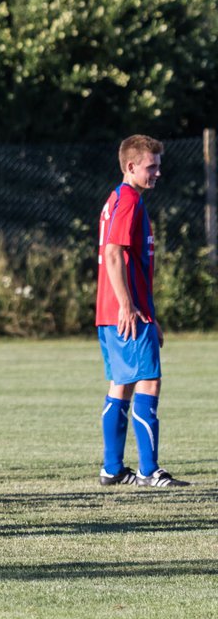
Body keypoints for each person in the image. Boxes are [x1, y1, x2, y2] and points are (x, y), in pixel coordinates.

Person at [96, 135, 187, 488]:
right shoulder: (129, 199)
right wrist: (129, 306)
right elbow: (115, 254)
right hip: (124, 310)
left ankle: (112, 470)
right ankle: (150, 472)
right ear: (131, 166)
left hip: (117, 310)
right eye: (152, 166)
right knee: (149, 380)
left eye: (158, 166)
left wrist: (148, 313)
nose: (158, 173)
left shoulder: (119, 199)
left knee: (121, 385)